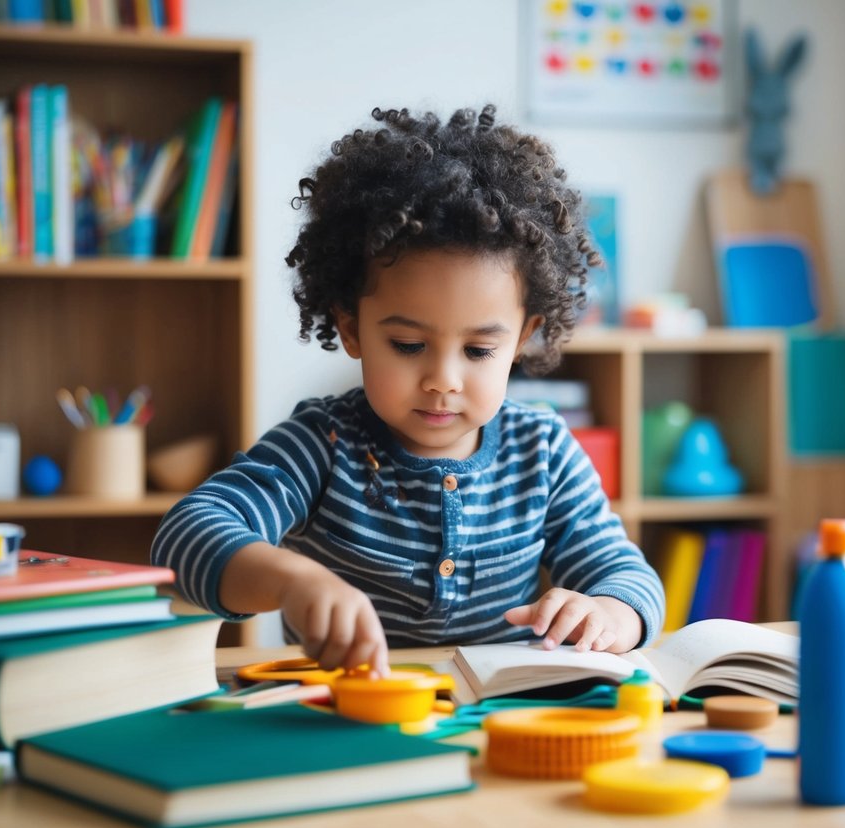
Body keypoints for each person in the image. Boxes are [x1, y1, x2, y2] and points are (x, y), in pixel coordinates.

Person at [152, 105, 665, 675]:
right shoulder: (322, 445)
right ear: (351, 328)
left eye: (477, 351)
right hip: (342, 713)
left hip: (490, 719)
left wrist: (610, 611)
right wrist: (292, 581)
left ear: (522, 339)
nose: (443, 380)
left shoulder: (542, 450)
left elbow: (625, 573)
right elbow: (186, 535)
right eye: (408, 345)